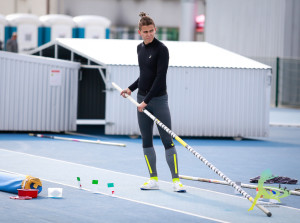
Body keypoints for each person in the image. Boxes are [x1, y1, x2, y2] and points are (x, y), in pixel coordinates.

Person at [120, 12, 186, 192]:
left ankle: (176, 181)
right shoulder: (139, 49)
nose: (149, 34)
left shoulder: (162, 49)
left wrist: (146, 102)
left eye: (151, 31)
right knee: (146, 140)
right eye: (145, 31)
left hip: (158, 100)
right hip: (142, 99)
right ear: (139, 32)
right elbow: (144, 75)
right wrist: (130, 89)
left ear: (155, 30)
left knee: (167, 140)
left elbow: (159, 78)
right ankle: (153, 179)